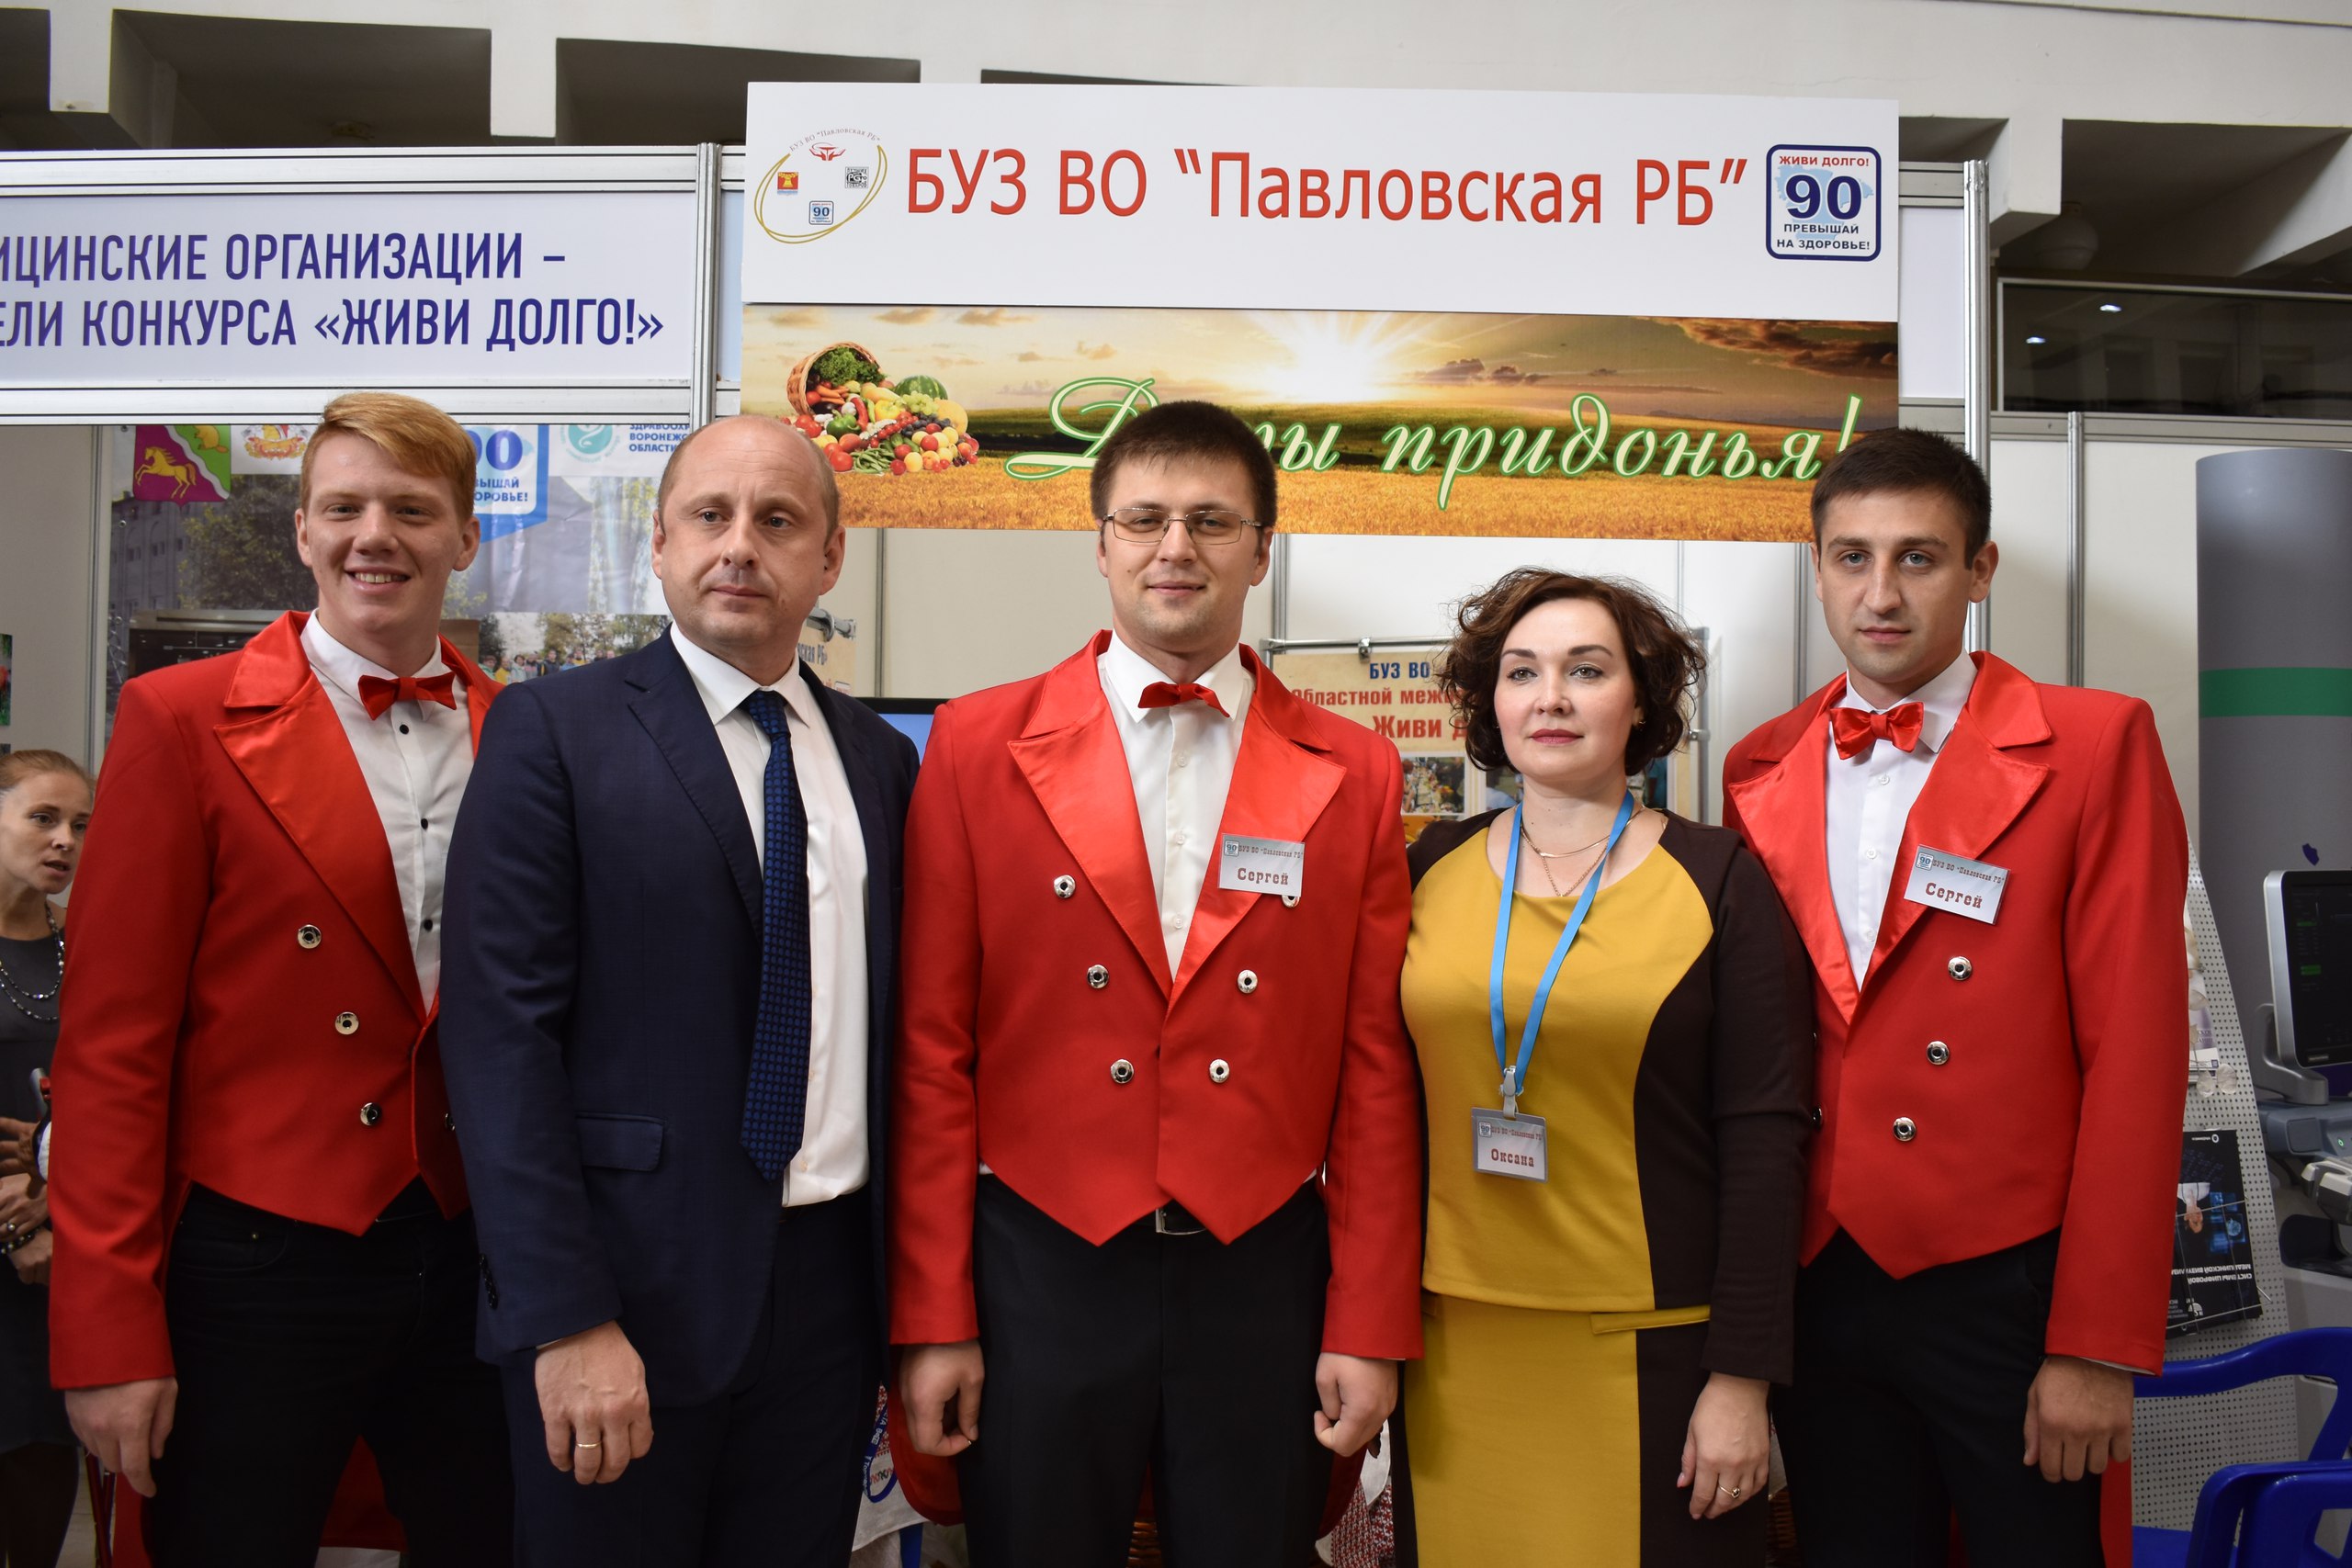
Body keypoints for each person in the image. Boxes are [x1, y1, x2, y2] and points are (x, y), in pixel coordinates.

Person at [891, 400, 1424, 1567]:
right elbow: (930, 1052)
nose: (1174, 547)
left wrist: (1368, 1321)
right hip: (1038, 1267)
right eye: (1143, 519)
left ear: (1262, 550)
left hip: (1263, 1274)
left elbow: (1375, 1071)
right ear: (1100, 545)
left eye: (1211, 521)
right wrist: (932, 1316)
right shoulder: (975, 744)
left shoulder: (1358, 769)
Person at [440, 414, 918, 1567]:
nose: (739, 545)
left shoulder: (882, 761)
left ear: (829, 558)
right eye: (710, 516)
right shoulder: (554, 731)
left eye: (777, 520)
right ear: (659, 546)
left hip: (830, 1303)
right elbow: (500, 1042)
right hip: (623, 1300)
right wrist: (565, 1317)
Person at [46, 391, 514, 1564]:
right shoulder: (180, 719)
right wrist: (107, 1332)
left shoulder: (527, 735)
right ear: (302, 531)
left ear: (466, 536)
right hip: (254, 1261)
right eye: (344, 508)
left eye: (412, 510)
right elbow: (109, 1051)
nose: (375, 536)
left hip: (473, 1249)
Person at [1721, 429, 2188, 1567]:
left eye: (1918, 558)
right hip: (1821, 1275)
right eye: (1851, 557)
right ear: (1817, 568)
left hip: (2010, 1283)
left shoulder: (2094, 745)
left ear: (1980, 570)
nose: (1879, 594)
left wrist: (2094, 1341)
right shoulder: (1757, 765)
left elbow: (2136, 1056)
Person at [1391, 571, 1813, 1566]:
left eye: (1586, 670)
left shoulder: (1718, 879)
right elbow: (1378, 1111)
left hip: (1655, 1345)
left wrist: (1741, 1378)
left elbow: (1766, 1142)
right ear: (1490, 702)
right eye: (1521, 672)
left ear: (1641, 698)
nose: (1551, 697)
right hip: (1454, 1342)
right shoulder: (1426, 868)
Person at [0, 752, 92, 1568]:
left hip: (56, 1266)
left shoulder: (85, 946)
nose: (65, 840)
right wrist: (14, 1220)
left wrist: (57, 1199)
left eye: (80, 825)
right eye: (43, 818)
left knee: (38, 1483)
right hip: (14, 1237)